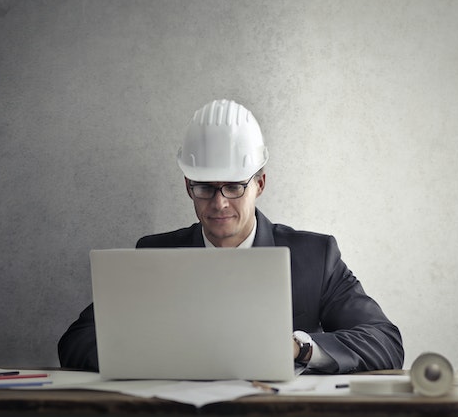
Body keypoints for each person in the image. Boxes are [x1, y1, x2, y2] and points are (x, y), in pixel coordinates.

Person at [58, 99, 404, 374]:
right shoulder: (153, 254)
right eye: (205, 187)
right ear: (188, 187)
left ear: (259, 184)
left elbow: (384, 341)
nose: (219, 202)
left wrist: (298, 348)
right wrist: (158, 351)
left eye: (235, 186)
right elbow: (76, 341)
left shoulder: (315, 256)